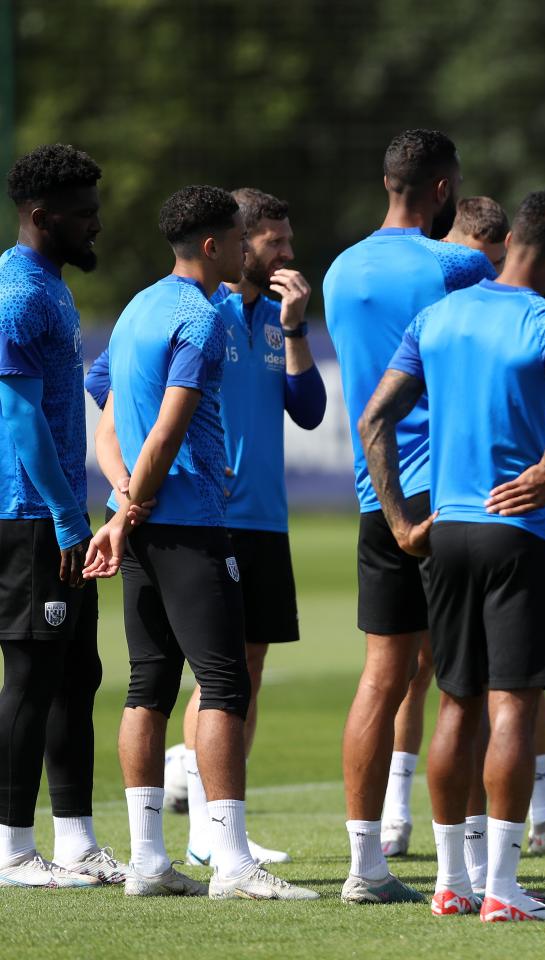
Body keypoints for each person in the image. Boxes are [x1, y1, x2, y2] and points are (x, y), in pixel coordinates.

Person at [361, 190, 545, 921]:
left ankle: (450, 883)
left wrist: (401, 521)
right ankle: (502, 887)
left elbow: (375, 417)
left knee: (455, 704)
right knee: (513, 707)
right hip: (515, 531)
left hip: (447, 530)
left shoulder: (438, 317)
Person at [83, 185, 317, 900]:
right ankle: (234, 863)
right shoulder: (198, 318)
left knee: (147, 686)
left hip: (151, 519)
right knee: (223, 684)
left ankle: (150, 861)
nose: (253, 251)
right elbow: (167, 428)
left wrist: (123, 498)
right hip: (189, 522)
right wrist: (128, 512)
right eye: (242, 239)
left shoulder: (135, 308)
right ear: (214, 244)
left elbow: (112, 424)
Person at [323, 129, 494, 900]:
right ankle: (476, 868)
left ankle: (365, 865)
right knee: (469, 682)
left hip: (376, 490)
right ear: (440, 190)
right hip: (453, 490)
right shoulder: (457, 264)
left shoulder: (338, 270)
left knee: (382, 678)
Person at [0, 144, 122, 889]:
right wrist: (68, 520)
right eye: (83, 215)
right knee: (31, 675)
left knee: (78, 674)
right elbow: (19, 421)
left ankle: (75, 840)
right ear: (43, 219)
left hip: (55, 516)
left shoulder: (50, 286)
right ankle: (12, 850)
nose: (97, 226)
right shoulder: (18, 295)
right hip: (29, 517)